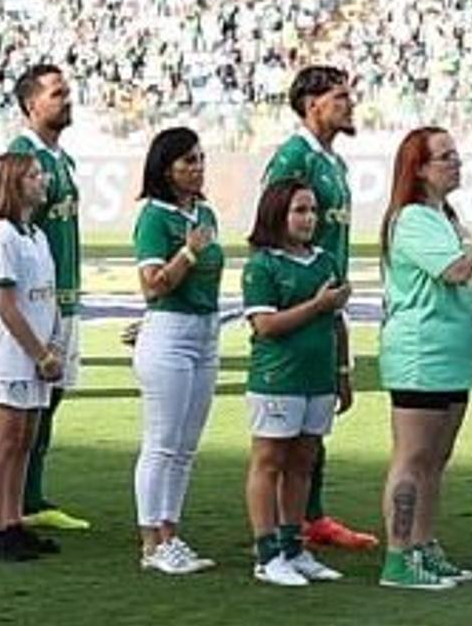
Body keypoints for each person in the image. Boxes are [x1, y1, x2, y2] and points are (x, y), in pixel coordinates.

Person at [262, 65, 380, 555]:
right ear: (312, 104)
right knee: (286, 427)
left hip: (327, 300)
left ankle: (308, 518)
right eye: (340, 96)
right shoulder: (294, 158)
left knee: (315, 416)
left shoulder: (332, 162)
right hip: (300, 301)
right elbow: (270, 224)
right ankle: (281, 528)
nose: (350, 104)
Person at [373, 127, 472, 592]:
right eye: (444, 157)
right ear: (418, 168)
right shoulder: (414, 218)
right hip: (421, 352)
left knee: (436, 458)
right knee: (413, 455)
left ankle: (423, 544)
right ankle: (398, 556)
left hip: (450, 351)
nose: (455, 163)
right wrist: (471, 252)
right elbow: (456, 270)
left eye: (455, 154)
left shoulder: (445, 216)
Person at [241, 176, 349, 587]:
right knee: (270, 461)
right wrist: (317, 305)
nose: (309, 219)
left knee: (305, 460)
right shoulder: (263, 265)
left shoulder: (324, 261)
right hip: (277, 378)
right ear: (277, 214)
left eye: (312, 210)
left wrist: (342, 371)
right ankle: (266, 553)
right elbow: (266, 325)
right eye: (299, 210)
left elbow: (337, 322)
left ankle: (293, 545)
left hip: (318, 377)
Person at [128, 125, 225, 578]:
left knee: (185, 446)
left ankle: (171, 531)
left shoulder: (203, 212)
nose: (197, 168)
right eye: (187, 161)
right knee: (162, 442)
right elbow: (152, 287)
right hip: (170, 331)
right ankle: (151, 541)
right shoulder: (154, 217)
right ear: (165, 169)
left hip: (205, 330)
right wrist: (186, 253)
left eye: (200, 159)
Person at [0, 64, 91, 536]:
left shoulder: (63, 159)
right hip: (39, 300)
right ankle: (17, 499)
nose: (66, 99)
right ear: (32, 103)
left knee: (50, 397)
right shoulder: (21, 157)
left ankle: (30, 494)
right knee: (26, 402)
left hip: (65, 297)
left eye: (67, 92)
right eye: (57, 93)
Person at [0, 150, 64, 563]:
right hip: (13, 353)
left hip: (39, 350)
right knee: (6, 437)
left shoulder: (37, 235)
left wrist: (55, 344)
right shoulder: (3, 236)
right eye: (33, 176)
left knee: (25, 438)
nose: (42, 181)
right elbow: (6, 304)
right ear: (13, 184)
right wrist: (38, 351)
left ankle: (14, 521)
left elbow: (48, 297)